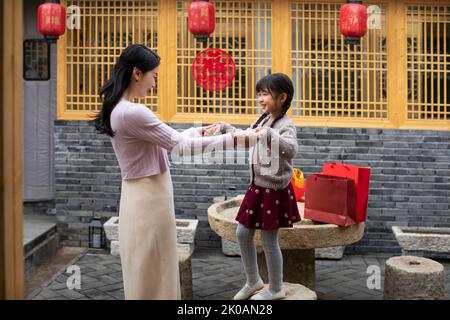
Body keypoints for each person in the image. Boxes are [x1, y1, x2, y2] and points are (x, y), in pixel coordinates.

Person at [94, 44, 255, 299]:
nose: (154, 84)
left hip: (142, 194)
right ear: (138, 73)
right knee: (155, 269)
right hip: (148, 197)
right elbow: (180, 146)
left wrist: (200, 131)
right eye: (153, 76)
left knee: (148, 267)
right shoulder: (133, 112)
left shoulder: (120, 108)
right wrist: (236, 140)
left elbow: (170, 140)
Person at [205, 73, 300, 300]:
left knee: (269, 240)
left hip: (274, 190)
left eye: (265, 94)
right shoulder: (262, 119)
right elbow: (248, 138)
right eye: (259, 93)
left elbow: (291, 150)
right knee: (242, 233)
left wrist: (268, 135)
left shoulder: (286, 125)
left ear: (282, 97)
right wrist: (227, 128)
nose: (260, 98)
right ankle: (253, 280)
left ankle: (276, 288)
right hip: (257, 187)